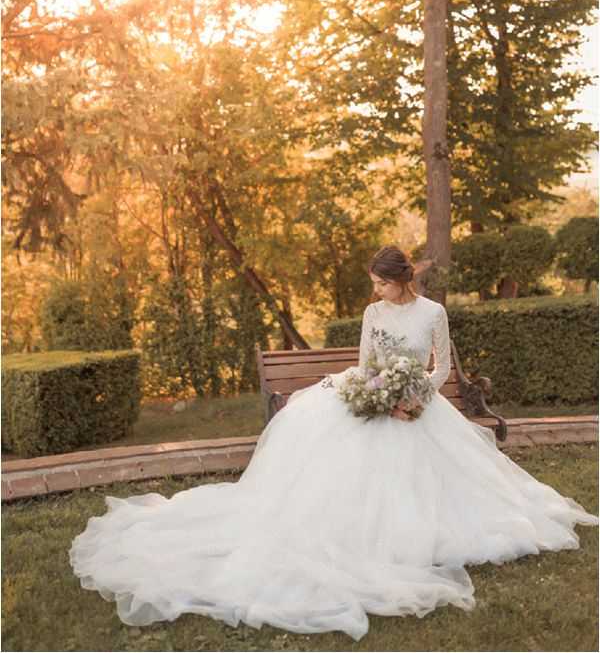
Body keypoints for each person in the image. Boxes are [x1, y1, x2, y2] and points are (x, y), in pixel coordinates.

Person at [69, 245, 599, 642]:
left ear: (401, 281)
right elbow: (367, 363)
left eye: (380, 284)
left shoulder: (434, 313)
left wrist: (414, 395)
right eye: (373, 285)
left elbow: (440, 370)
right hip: (375, 395)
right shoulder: (374, 315)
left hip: (418, 404)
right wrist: (376, 393)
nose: (375, 293)